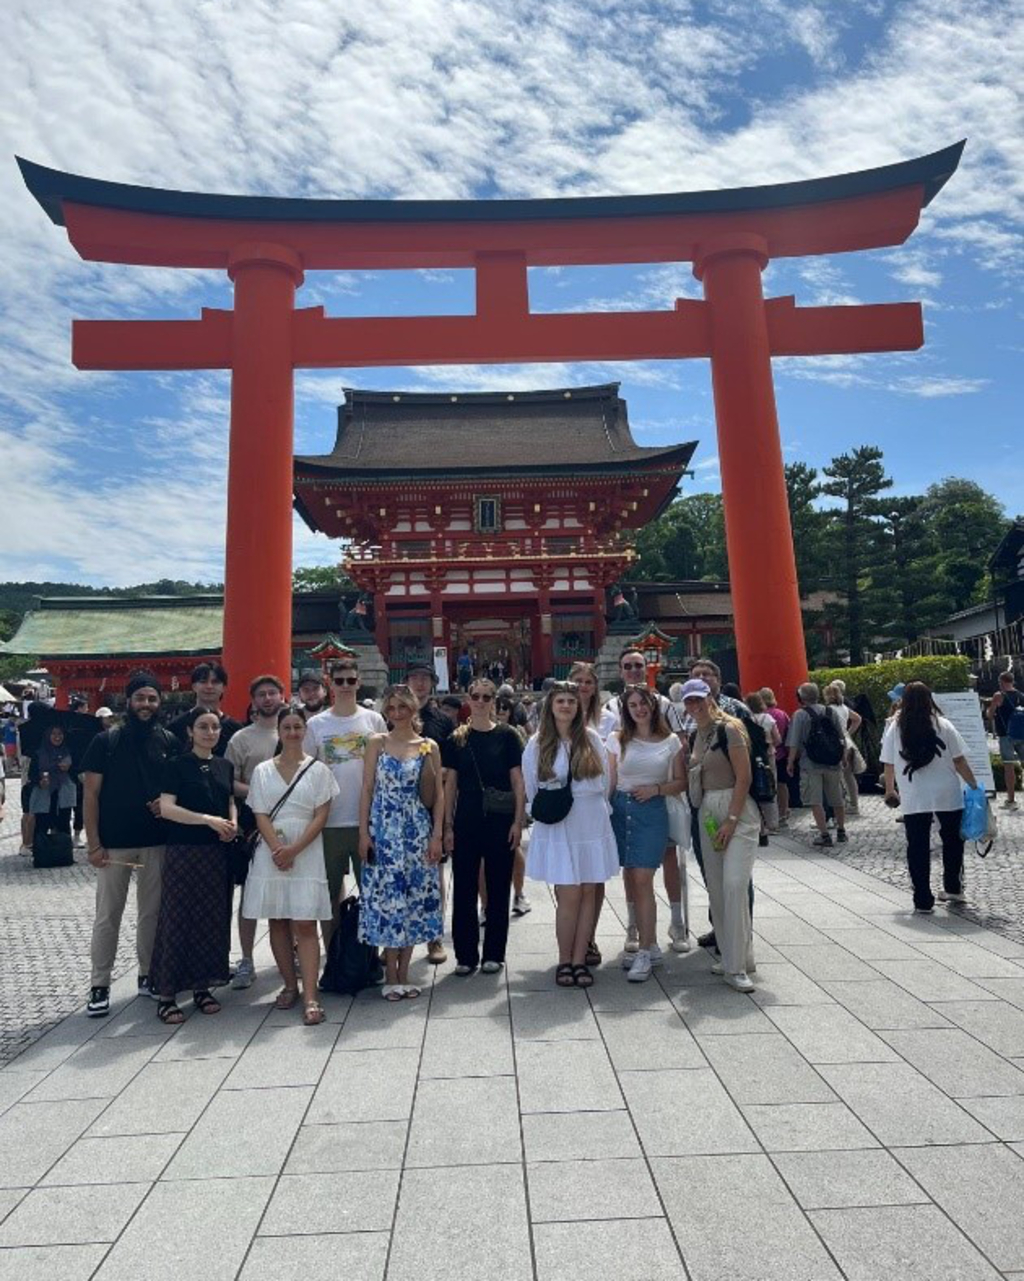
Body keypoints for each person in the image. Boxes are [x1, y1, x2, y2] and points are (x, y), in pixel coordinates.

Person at [80, 671, 180, 1017]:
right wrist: (93, 844)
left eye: (152, 699)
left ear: (159, 702)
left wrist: (165, 803)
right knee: (108, 915)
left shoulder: (168, 740)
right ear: (128, 701)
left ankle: (147, 974)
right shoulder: (106, 742)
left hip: (156, 841)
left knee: (152, 914)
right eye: (141, 698)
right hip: (114, 844)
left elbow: (177, 787)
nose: (147, 705)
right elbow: (90, 794)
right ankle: (99, 983)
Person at [243, 705, 339, 1024]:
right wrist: (277, 848)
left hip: (306, 847)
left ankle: (311, 994)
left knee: (305, 922)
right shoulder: (262, 771)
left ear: (305, 730)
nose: (293, 733)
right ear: (279, 732)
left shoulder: (319, 770)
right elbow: (259, 812)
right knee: (278, 920)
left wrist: (294, 848)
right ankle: (288, 983)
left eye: (299, 727)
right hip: (272, 848)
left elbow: (321, 815)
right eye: (288, 727)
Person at [523, 681, 618, 988]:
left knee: (590, 890)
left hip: (591, 818)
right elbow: (530, 787)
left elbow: (604, 781)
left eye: (571, 702)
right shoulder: (538, 743)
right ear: (550, 706)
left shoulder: (591, 738)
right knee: (569, 894)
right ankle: (565, 959)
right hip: (560, 822)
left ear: (579, 707)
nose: (566, 706)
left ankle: (580, 959)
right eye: (560, 701)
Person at [151, 707, 237, 1023]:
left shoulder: (224, 765)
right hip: (184, 850)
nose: (210, 732)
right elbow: (167, 808)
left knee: (212, 917)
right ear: (190, 731)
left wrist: (231, 824)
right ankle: (167, 993)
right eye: (203, 726)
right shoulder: (176, 765)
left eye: (215, 727)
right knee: (178, 916)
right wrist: (207, 821)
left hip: (216, 852)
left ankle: (203, 986)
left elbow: (229, 800)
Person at [358, 685, 444, 999]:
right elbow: (367, 788)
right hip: (383, 828)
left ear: (413, 709)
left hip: (416, 828)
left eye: (402, 707)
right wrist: (363, 833)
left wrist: (437, 834)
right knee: (387, 899)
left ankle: (405, 973)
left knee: (414, 900)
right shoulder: (376, 742)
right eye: (391, 708)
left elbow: (439, 796)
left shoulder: (428, 746)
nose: (397, 713)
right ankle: (390, 974)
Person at [604, 649, 688, 957]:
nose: (634, 670)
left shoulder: (664, 702)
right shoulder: (610, 705)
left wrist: (663, 786)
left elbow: (679, 740)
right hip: (627, 797)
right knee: (632, 866)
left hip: (661, 789)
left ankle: (677, 921)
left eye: (639, 665)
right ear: (620, 669)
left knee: (668, 857)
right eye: (628, 666)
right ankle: (633, 925)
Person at [442, 677, 525, 975]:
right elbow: (450, 784)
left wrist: (518, 821)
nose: (480, 701)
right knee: (463, 886)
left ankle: (494, 952)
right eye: (475, 696)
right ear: (468, 698)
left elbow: (517, 780)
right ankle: (465, 955)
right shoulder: (457, 738)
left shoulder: (508, 735)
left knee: (498, 886)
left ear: (494, 702)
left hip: (500, 819)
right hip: (466, 818)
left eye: (486, 697)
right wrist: (446, 826)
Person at [303, 657, 387, 946]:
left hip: (368, 821)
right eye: (339, 681)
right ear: (331, 684)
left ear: (359, 681)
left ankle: (371, 956)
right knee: (327, 896)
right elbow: (307, 771)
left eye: (351, 680)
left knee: (373, 891)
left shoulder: (373, 719)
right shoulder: (316, 724)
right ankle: (333, 954)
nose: (346, 686)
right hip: (329, 822)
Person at [683, 678, 759, 992]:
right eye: (689, 701)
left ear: (711, 698)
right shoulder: (694, 735)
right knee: (715, 887)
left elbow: (744, 777)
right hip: (707, 811)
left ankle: (737, 967)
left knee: (734, 885)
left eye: (700, 699)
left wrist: (731, 818)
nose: (695, 706)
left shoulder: (731, 728)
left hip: (735, 808)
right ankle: (733, 955)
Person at [881, 681, 978, 913]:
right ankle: (953, 886)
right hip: (948, 792)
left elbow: (888, 762)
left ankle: (922, 897)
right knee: (953, 840)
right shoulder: (944, 725)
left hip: (915, 794)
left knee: (917, 844)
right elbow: (959, 760)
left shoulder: (896, 727)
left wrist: (890, 789)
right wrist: (974, 786)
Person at [225, 674, 287, 988]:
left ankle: (289, 956)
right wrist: (256, 791)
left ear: (282, 695)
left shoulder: (294, 730)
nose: (267, 699)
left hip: (289, 819)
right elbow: (228, 780)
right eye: (261, 694)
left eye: (272, 693)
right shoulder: (241, 738)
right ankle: (247, 958)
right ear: (253, 700)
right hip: (252, 821)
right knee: (249, 893)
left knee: (287, 890)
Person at [407, 660, 453, 963]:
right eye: (415, 678)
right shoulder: (391, 717)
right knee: (400, 875)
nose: (421, 684)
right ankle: (399, 939)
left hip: (430, 803)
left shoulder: (442, 721)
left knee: (434, 873)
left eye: (426, 678)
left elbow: (450, 770)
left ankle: (434, 937)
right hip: (397, 806)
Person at [786, 682, 848, 848]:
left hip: (810, 762)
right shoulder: (830, 711)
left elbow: (794, 741)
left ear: (801, 697)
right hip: (832, 761)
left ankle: (824, 834)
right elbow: (841, 736)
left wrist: (791, 761)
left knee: (815, 799)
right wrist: (843, 756)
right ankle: (841, 830)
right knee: (837, 798)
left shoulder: (800, 714)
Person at [495, 692, 531, 916]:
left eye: (504, 709)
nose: (500, 713)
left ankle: (519, 893)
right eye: (497, 708)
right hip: (486, 799)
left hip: (510, 797)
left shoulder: (515, 734)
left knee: (513, 846)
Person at [167, 662, 242, 758]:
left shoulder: (235, 729)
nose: (209, 686)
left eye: (215, 682)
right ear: (194, 686)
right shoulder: (175, 727)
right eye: (203, 681)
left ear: (224, 687)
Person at [29, 724, 77, 840]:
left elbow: (76, 774)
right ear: (47, 736)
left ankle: (64, 854)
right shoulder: (39, 754)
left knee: (64, 824)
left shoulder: (69, 752)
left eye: (60, 734)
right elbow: (32, 774)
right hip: (44, 793)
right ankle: (41, 854)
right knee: (42, 824)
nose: (57, 737)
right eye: (54, 734)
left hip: (63, 794)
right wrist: (40, 781)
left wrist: (69, 768)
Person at [824, 681, 863, 816]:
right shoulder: (844, 708)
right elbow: (857, 719)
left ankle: (840, 804)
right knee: (849, 776)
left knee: (837, 777)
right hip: (848, 742)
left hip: (838, 745)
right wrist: (848, 733)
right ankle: (854, 804)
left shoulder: (829, 710)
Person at [988, 670, 1024, 810]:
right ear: (1012, 681)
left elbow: (990, 715)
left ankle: (1011, 800)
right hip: (1022, 734)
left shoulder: (999, 695)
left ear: (1001, 682)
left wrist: (991, 709)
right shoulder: (1021, 695)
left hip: (1006, 736)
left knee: (1009, 767)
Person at [759, 687, 792, 825]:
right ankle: (784, 811)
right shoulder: (781, 714)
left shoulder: (760, 716)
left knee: (769, 785)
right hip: (782, 753)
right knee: (782, 784)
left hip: (767, 754)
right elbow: (788, 731)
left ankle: (770, 816)